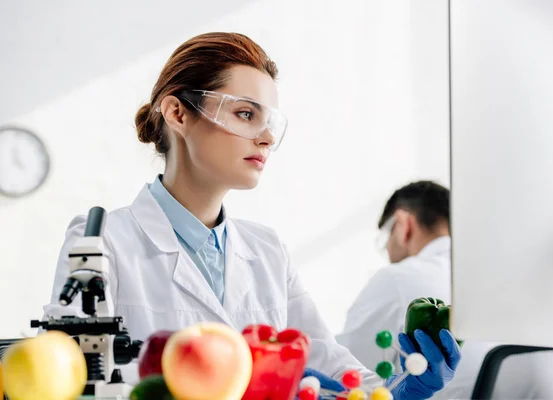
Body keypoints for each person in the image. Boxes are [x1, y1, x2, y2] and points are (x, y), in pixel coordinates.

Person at [41, 32, 461, 398]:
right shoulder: (101, 240)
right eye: (245, 114)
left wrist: (396, 391)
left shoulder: (266, 249)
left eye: (269, 121)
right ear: (178, 114)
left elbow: (327, 362)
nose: (265, 137)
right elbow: (71, 381)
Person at [336, 181, 553, 399]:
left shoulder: (395, 278)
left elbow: (348, 377)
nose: (387, 249)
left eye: (386, 237)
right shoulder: (511, 275)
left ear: (403, 224)